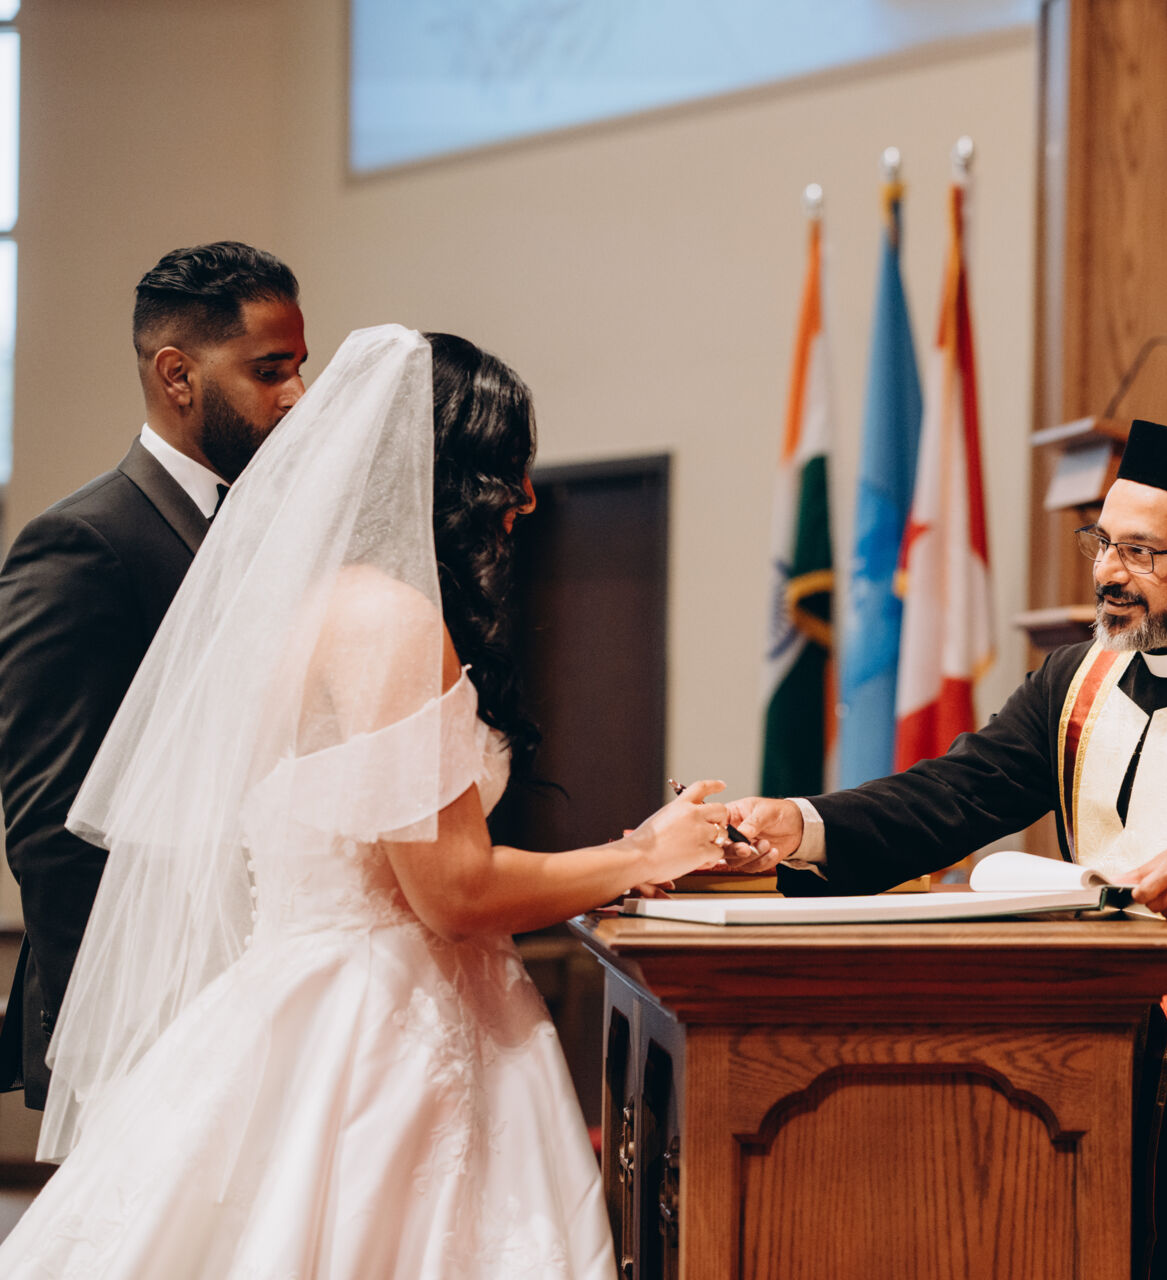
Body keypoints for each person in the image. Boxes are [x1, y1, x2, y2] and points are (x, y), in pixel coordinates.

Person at [0, 326, 730, 1277]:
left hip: (304, 1000)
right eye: (507, 466)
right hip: (381, 1027)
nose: (525, 496)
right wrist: (645, 855)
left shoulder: (305, 607)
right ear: (447, 470)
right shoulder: (388, 621)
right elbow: (452, 889)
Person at [726, 421, 1167, 1279]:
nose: (1108, 572)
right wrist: (800, 824)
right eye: (1101, 542)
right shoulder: (1075, 680)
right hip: (1078, 1063)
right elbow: (952, 794)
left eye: (1141, 553)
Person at [0, 241, 308, 1108]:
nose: (296, 395)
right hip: (140, 1017)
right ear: (178, 376)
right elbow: (52, 824)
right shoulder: (82, 542)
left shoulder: (269, 529)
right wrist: (122, 1039)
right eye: (269, 370)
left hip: (247, 991)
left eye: (298, 366)